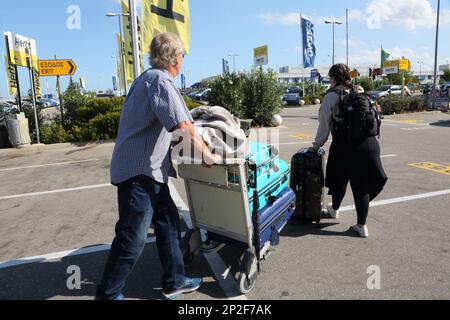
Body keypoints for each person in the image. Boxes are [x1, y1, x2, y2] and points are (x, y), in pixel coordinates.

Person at [95, 32, 221, 300]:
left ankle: (175, 280)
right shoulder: (160, 81)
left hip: (148, 171)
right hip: (139, 173)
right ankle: (108, 294)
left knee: (168, 222)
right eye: (182, 56)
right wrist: (207, 157)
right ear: (176, 57)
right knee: (133, 237)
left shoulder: (145, 79)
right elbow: (183, 127)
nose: (183, 60)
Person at [312, 64, 388, 238]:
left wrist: (316, 146)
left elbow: (324, 125)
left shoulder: (331, 96)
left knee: (340, 178)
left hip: (345, 145)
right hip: (370, 144)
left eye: (330, 78)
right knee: (358, 182)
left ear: (333, 78)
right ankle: (341, 213)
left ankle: (359, 225)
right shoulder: (358, 90)